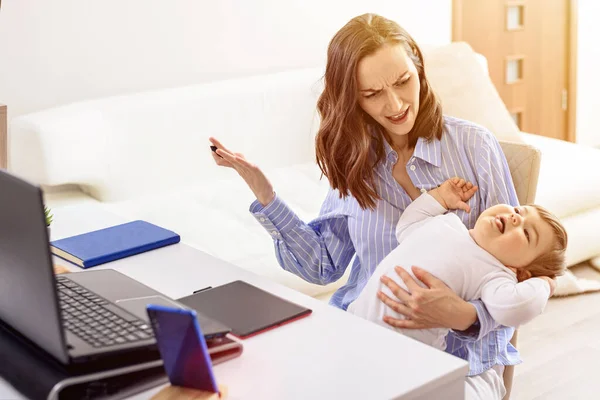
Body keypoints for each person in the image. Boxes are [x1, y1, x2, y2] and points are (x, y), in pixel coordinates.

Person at [210, 13, 529, 399]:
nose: (395, 104)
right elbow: (323, 264)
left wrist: (461, 315)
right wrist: (264, 193)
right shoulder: (357, 161)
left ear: (419, 69)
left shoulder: (473, 147)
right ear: (352, 98)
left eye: (402, 82)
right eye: (372, 94)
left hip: (461, 361)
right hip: (364, 345)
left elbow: (520, 275)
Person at [348, 177, 567, 350]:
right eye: (519, 210)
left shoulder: (496, 275)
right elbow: (406, 226)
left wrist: (545, 285)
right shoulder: (449, 222)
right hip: (355, 325)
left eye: (527, 233)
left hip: (407, 357)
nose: (515, 218)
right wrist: (440, 197)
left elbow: (515, 308)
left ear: (522, 272)